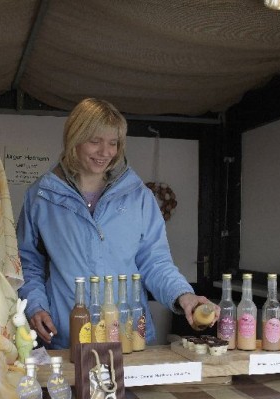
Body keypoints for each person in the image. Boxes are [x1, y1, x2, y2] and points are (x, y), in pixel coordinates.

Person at [17, 97, 219, 349]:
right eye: (95, 141)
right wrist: (36, 306)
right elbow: (28, 263)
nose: (105, 152)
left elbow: (156, 262)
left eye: (113, 143)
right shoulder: (42, 197)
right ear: (74, 139)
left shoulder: (138, 197)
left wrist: (184, 295)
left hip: (129, 335)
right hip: (68, 335)